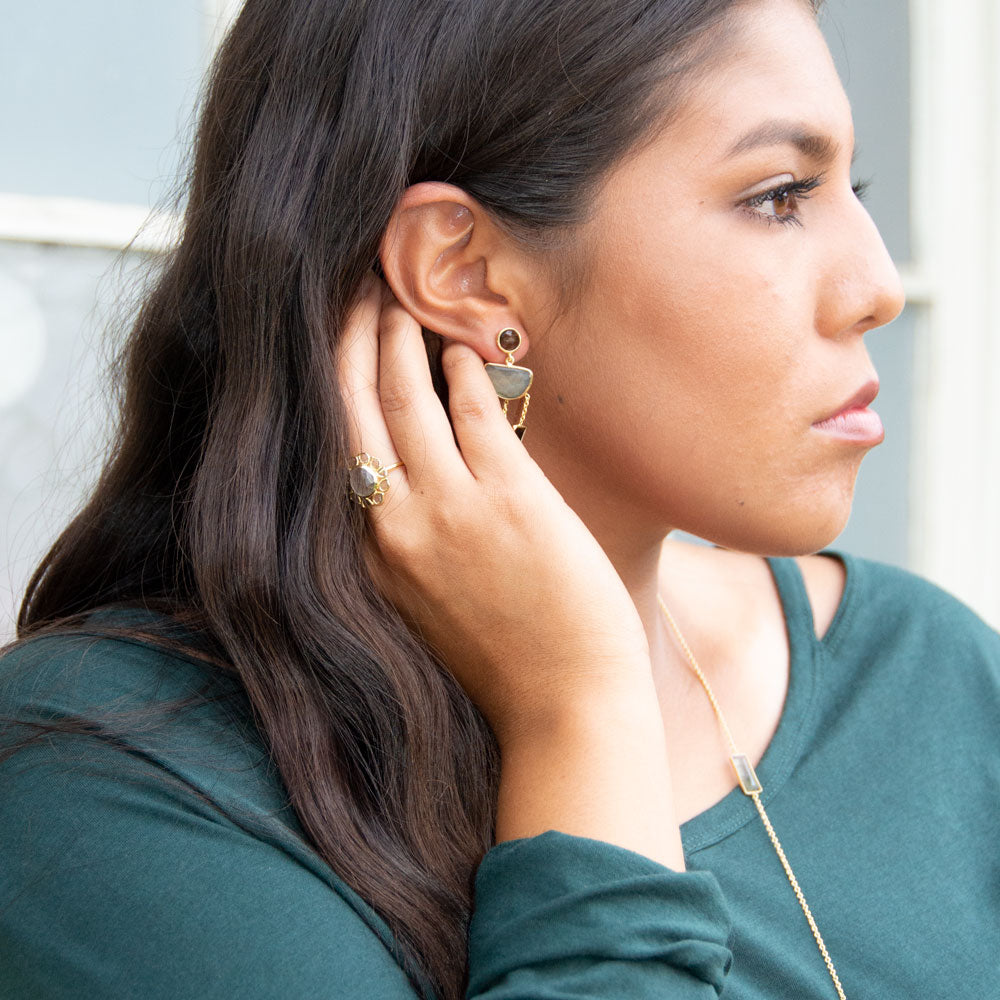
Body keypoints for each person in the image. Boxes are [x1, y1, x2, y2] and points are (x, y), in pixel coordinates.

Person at [1, 0, 997, 996]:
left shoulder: (929, 678)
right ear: (463, 271)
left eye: (851, 187)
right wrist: (578, 711)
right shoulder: (103, 784)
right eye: (779, 197)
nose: (876, 286)